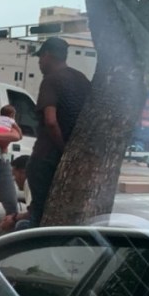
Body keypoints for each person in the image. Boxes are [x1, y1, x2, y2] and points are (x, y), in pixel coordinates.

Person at [27, 37, 92, 227]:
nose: (39, 62)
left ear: (47, 55)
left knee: (39, 213)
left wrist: (62, 149)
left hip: (46, 157)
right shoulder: (82, 80)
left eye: (40, 57)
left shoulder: (51, 81)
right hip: (73, 159)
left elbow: (51, 121)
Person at [0, 155, 32, 232]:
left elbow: (32, 214)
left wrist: (13, 218)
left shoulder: (28, 183)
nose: (14, 179)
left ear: (23, 172)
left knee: (21, 225)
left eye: (14, 175)